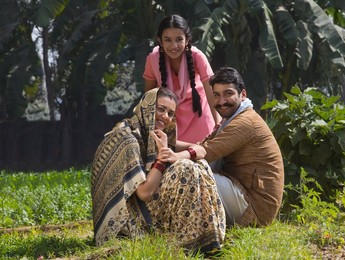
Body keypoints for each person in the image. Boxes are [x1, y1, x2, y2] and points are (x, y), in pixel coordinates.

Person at [91, 88, 225, 254]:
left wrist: (174, 154)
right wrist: (162, 159)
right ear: (147, 107)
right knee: (186, 168)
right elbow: (145, 193)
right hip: (126, 220)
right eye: (160, 109)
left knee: (200, 164)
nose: (165, 117)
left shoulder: (154, 134)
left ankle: (205, 239)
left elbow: (200, 150)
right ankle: (188, 243)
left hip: (143, 204)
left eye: (170, 113)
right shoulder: (128, 138)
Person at [200, 67, 284, 227]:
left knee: (194, 174)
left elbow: (205, 152)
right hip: (240, 192)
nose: (221, 101)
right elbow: (203, 145)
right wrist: (170, 145)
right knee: (190, 169)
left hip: (256, 208)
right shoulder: (230, 119)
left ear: (242, 94)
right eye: (216, 95)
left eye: (228, 93)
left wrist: (170, 158)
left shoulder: (245, 122)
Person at [143, 14, 221, 143]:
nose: (174, 46)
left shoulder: (198, 56)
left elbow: (212, 93)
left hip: (199, 115)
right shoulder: (153, 58)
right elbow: (149, 97)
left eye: (179, 39)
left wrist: (218, 123)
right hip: (169, 120)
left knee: (204, 158)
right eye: (168, 40)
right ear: (160, 40)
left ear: (187, 39)